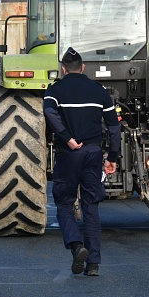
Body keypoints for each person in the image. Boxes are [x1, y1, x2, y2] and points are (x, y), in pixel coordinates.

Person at [43, 47, 120, 277]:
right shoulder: (99, 92)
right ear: (83, 67)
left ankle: (77, 247)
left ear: (64, 69)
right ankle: (93, 264)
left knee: (65, 203)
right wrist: (113, 157)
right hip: (93, 154)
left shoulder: (54, 91)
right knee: (91, 205)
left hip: (69, 155)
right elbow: (114, 127)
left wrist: (67, 139)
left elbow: (49, 114)